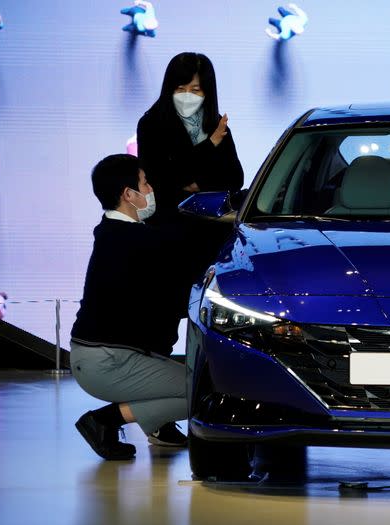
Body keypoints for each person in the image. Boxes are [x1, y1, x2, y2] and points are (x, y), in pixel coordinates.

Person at [70, 154, 198, 460]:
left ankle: (122, 422)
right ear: (129, 194)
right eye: (145, 183)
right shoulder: (137, 240)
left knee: (192, 383)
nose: (151, 189)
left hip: (96, 357)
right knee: (203, 390)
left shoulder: (111, 232)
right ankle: (105, 420)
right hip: (109, 362)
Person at [137, 52, 244, 225]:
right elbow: (159, 180)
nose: (187, 95)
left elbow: (235, 178)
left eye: (195, 90)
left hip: (213, 224)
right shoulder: (151, 124)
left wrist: (196, 184)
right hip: (169, 224)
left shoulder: (216, 125)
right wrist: (210, 145)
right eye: (180, 88)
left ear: (207, 91)